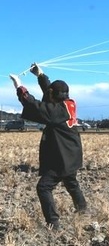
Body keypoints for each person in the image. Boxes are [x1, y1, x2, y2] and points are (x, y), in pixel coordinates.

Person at [9, 63, 87, 231]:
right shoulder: (67, 104)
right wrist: (41, 76)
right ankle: (83, 210)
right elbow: (50, 94)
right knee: (71, 182)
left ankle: (54, 223)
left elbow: (35, 105)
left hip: (63, 157)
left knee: (43, 187)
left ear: (54, 95)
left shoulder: (56, 111)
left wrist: (19, 86)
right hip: (71, 154)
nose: (48, 94)